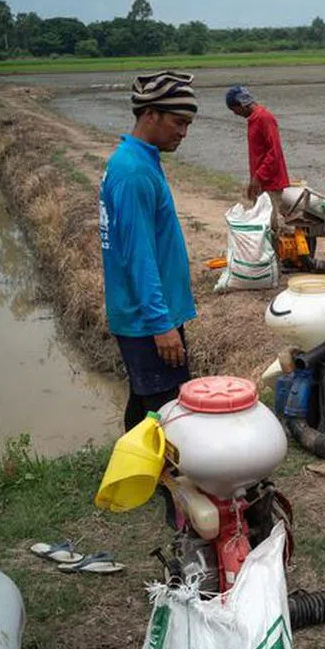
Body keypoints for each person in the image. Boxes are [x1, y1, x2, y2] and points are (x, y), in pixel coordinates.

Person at [99, 71, 199, 431]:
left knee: (144, 402)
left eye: (188, 123)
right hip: (149, 319)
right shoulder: (134, 172)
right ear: (150, 115)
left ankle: (134, 475)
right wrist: (162, 325)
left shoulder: (137, 160)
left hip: (145, 314)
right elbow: (138, 257)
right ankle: (164, 482)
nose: (183, 132)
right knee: (166, 414)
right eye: (178, 121)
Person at [225, 85, 290, 230]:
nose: (235, 114)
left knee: (270, 226)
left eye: (234, 110)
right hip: (261, 183)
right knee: (261, 226)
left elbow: (274, 152)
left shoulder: (264, 118)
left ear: (240, 105)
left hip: (271, 182)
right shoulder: (254, 120)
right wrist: (254, 181)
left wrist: (258, 177)